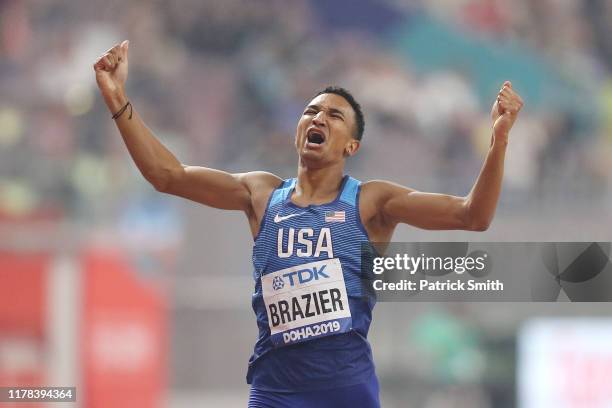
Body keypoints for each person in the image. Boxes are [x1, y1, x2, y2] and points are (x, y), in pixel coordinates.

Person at [94, 41, 523, 408]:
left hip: (345, 389)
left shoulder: (373, 201)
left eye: (334, 116)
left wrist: (499, 140)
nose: (318, 118)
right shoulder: (260, 194)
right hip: (275, 388)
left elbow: (474, 215)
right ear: (297, 129)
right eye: (310, 111)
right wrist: (117, 98)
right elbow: (166, 175)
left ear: (351, 145)